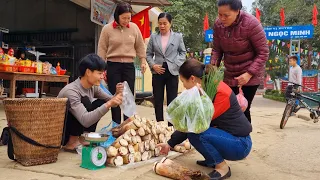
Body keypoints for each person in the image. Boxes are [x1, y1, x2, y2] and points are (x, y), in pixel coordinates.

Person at [157, 60, 252, 180]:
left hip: (240, 144)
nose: (184, 87)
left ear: (192, 79)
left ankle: (222, 168)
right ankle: (212, 160)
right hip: (228, 138)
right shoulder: (205, 89)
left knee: (200, 133)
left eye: (183, 82)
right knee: (193, 135)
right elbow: (190, 124)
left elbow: (196, 124)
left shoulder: (219, 92)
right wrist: (170, 144)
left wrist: (170, 143)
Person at [210, 0, 269, 123]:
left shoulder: (251, 24)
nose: (222, 18)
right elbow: (217, 49)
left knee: (242, 108)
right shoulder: (218, 25)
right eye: (219, 14)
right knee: (227, 108)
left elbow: (263, 52)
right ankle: (231, 140)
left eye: (226, 15)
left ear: (237, 11)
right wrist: (212, 67)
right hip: (229, 74)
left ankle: (244, 141)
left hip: (249, 75)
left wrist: (249, 74)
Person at [57, 54, 123, 151]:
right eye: (99, 74)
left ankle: (84, 137)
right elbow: (85, 120)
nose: (102, 77)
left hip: (79, 124)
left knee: (100, 102)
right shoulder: (72, 91)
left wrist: (117, 94)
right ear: (88, 72)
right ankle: (71, 142)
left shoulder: (93, 87)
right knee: (85, 102)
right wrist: (109, 104)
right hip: (60, 133)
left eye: (103, 74)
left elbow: (112, 101)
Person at [97, 2, 147, 124]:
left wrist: (143, 60)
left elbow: (140, 45)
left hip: (129, 66)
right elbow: (102, 49)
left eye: (129, 18)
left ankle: (127, 125)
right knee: (115, 95)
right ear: (117, 16)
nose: (126, 20)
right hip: (113, 65)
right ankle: (115, 124)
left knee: (128, 96)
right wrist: (100, 69)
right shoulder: (107, 29)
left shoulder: (134, 28)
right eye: (124, 18)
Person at [146, 12, 186, 124]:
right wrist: (153, 65)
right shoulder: (154, 37)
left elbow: (183, 53)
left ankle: (170, 126)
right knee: (157, 99)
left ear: (170, 23)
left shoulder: (178, 37)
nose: (162, 26)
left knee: (172, 100)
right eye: (160, 23)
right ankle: (159, 125)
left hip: (172, 71)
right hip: (157, 71)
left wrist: (176, 64)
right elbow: (148, 54)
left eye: (165, 23)